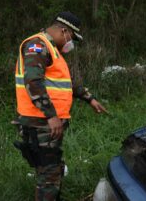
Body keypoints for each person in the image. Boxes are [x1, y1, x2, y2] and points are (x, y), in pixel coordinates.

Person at [13, 11, 107, 201]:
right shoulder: (38, 46)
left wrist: (89, 98)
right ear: (64, 31)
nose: (70, 42)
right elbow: (33, 82)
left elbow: (65, 83)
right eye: (71, 37)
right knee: (49, 175)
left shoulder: (53, 50)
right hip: (40, 123)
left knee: (52, 169)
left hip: (47, 124)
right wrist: (51, 116)